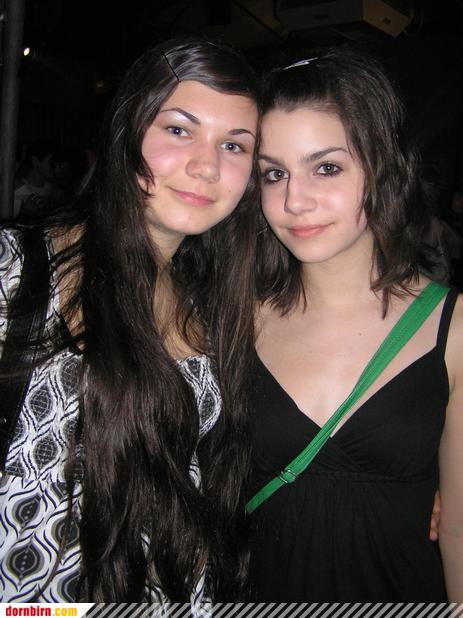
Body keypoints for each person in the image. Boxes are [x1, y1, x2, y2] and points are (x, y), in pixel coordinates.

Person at [0, 36, 259, 604]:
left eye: (234, 145)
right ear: (126, 130)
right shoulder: (16, 269)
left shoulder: (216, 306)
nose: (207, 166)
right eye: (179, 130)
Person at [247, 47, 463, 601]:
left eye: (327, 167)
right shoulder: (229, 320)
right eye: (274, 173)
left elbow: (459, 532)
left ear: (382, 169)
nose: (295, 200)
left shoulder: (454, 327)